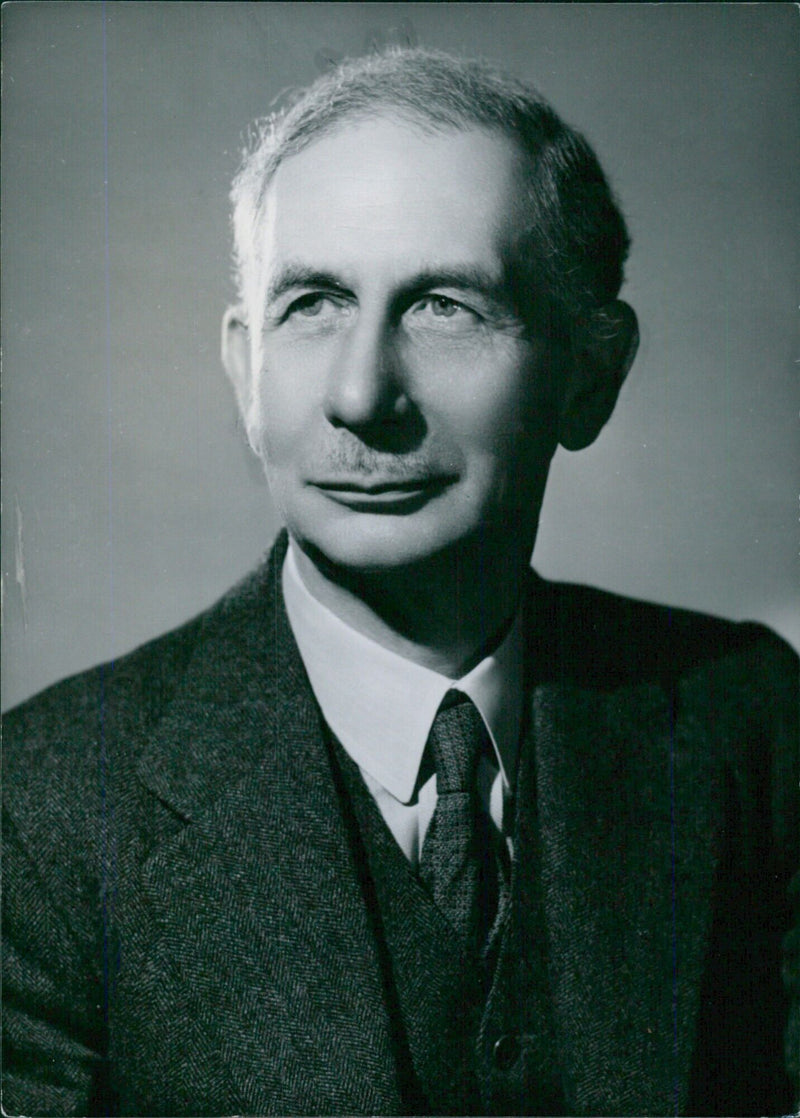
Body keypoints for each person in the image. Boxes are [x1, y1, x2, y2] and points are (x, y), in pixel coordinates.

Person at [2, 47, 797, 1118]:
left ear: (588, 375)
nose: (360, 390)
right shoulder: (42, 813)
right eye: (314, 303)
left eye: (442, 307)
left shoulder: (742, 719)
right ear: (244, 370)